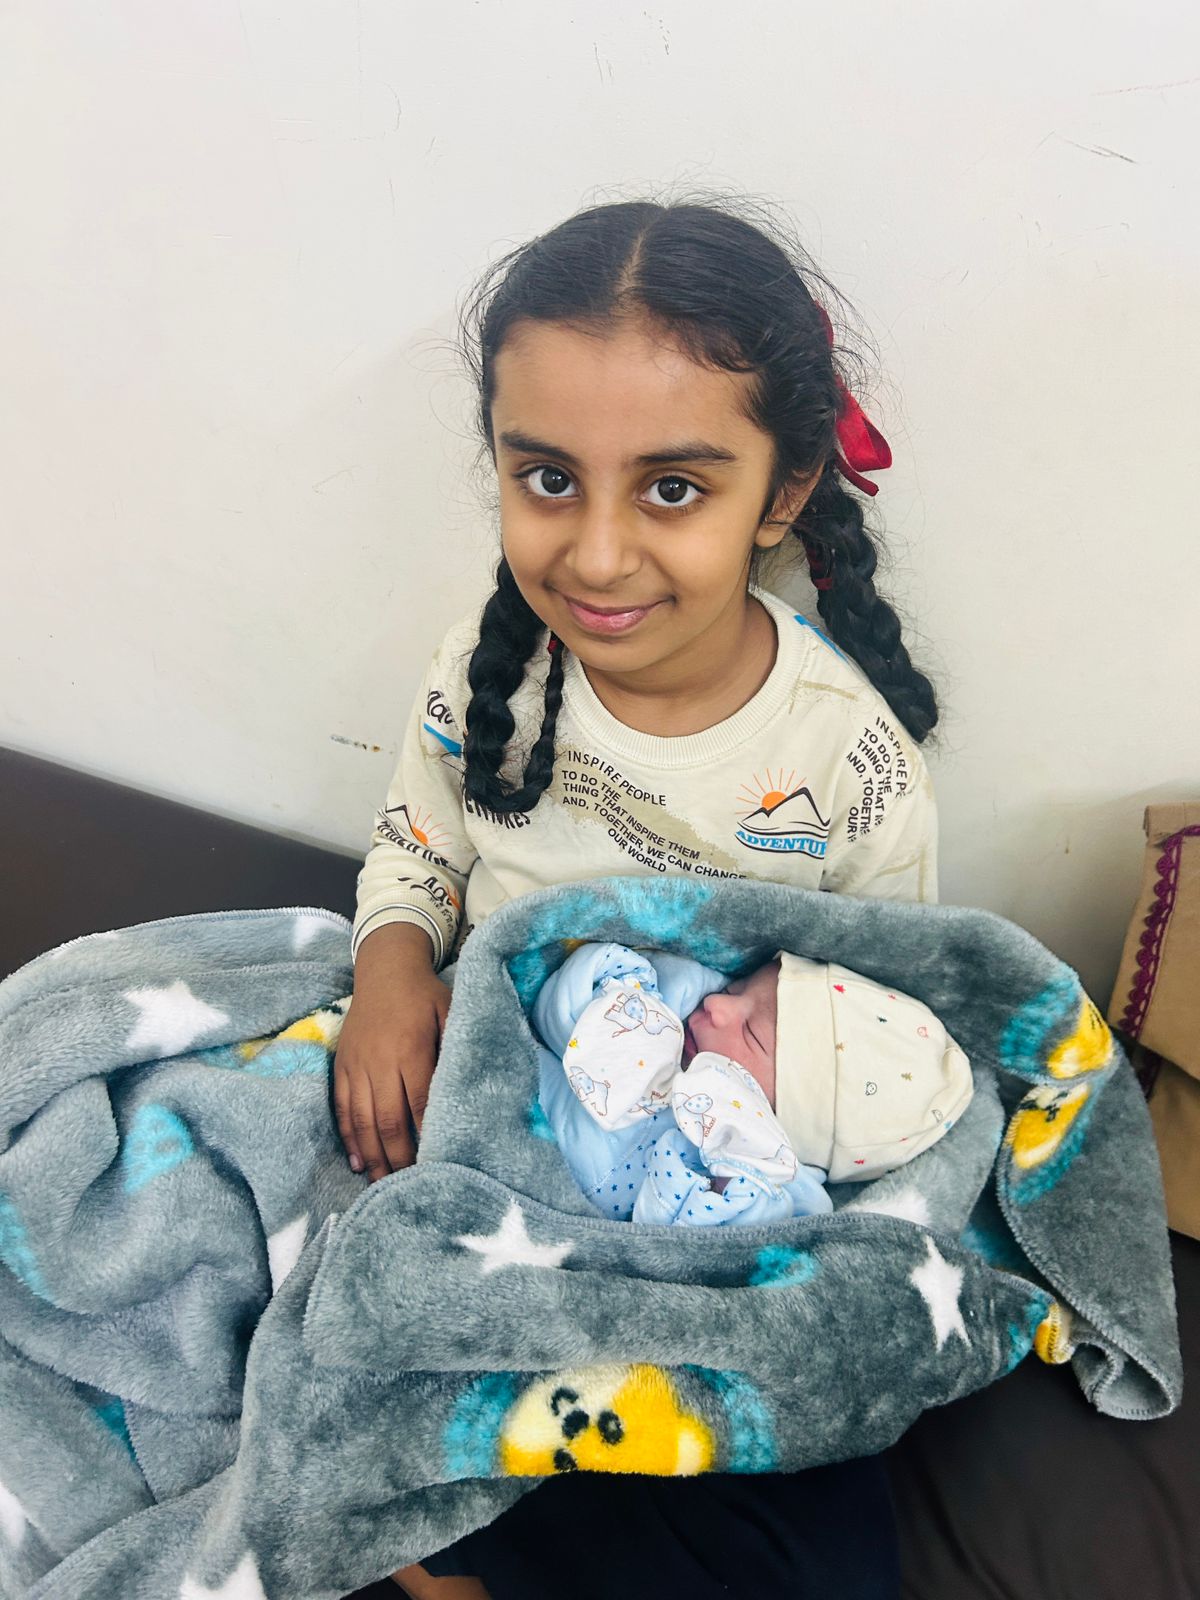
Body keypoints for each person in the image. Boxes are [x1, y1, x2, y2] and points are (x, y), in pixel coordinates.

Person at [335, 195, 940, 1600]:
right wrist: (391, 971)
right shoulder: (486, 671)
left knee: (827, 1560)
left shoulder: (848, 761)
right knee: (328, 1318)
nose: (598, 555)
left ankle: (455, 1514)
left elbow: (884, 1019)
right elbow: (417, 850)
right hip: (488, 1134)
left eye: (672, 488)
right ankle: (428, 1521)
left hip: (701, 1202)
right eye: (548, 478)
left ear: (783, 493)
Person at [532, 941, 972, 1226]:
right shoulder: (674, 1000)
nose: (719, 1005)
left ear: (788, 1123)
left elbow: (687, 1245)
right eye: (739, 987)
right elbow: (561, 1003)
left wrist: (736, 1163)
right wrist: (625, 1016)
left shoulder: (781, 1194)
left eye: (752, 1035)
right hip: (528, 1100)